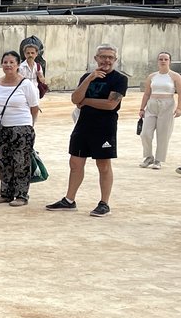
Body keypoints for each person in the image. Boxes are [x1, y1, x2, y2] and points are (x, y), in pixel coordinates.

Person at [46, 44, 127, 217]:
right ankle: (69, 200)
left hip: (105, 126)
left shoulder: (120, 79)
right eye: (103, 56)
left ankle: (104, 203)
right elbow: (75, 99)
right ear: (96, 58)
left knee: (103, 165)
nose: (106, 60)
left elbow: (110, 104)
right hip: (83, 125)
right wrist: (90, 78)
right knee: (75, 163)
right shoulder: (86, 76)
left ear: (115, 60)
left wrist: (86, 101)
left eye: (110, 57)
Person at [0, 52, 41, 207]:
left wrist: (30, 126)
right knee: (4, 160)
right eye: (5, 62)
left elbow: (34, 107)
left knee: (21, 162)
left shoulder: (26, 84)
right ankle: (6, 193)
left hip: (21, 127)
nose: (8, 65)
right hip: (1, 127)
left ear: (18, 64)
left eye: (12, 62)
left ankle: (21, 195)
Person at [138, 51, 181, 170]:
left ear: (169, 61)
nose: (163, 61)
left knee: (163, 134)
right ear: (157, 61)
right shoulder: (152, 76)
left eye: (165, 59)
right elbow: (147, 93)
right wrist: (141, 108)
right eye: (161, 59)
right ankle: (148, 156)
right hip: (152, 104)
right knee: (145, 133)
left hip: (167, 104)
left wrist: (179, 108)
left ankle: (159, 159)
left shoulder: (175, 76)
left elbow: (180, 93)